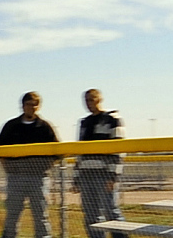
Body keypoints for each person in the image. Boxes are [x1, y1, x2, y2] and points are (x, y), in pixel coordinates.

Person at [0, 92, 60, 238]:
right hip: (15, 178)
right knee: (12, 216)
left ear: (39, 106)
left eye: (35, 104)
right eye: (29, 104)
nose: (32, 108)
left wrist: (42, 167)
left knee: (40, 216)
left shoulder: (44, 127)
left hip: (38, 179)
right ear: (23, 106)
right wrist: (9, 169)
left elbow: (57, 151)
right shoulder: (11, 126)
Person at [75, 89, 125, 238]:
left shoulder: (112, 119)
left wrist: (113, 176)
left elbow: (119, 149)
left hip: (104, 175)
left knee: (111, 212)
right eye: (86, 100)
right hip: (86, 175)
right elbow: (80, 150)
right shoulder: (84, 122)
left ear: (99, 100)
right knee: (91, 215)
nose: (89, 103)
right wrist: (76, 177)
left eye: (92, 99)